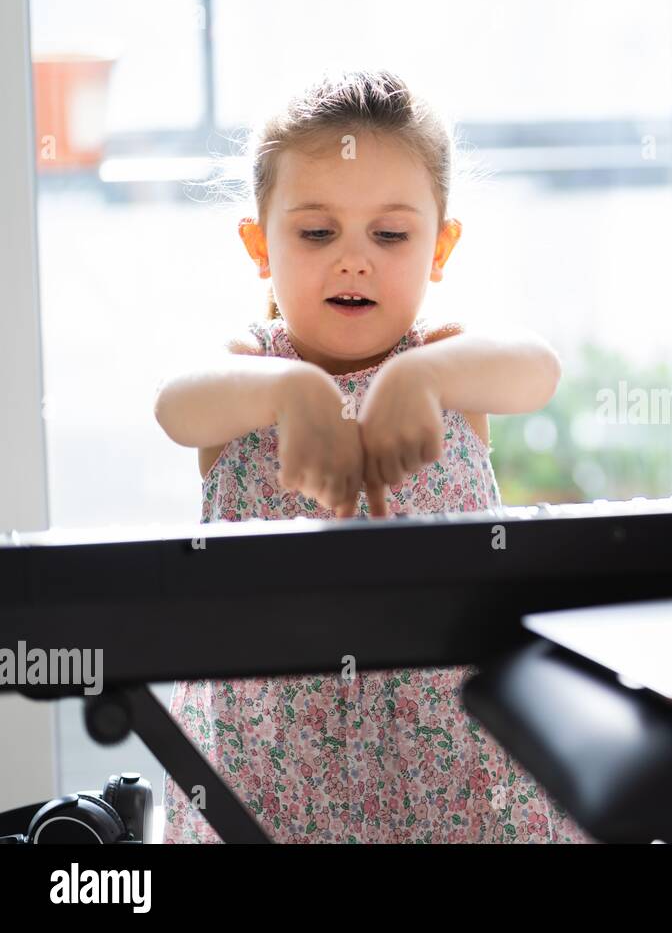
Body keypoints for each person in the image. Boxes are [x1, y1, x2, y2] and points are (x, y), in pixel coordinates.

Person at [153, 68, 592, 843]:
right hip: (271, 781)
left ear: (440, 244)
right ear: (259, 244)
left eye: (389, 235)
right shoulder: (244, 370)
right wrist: (290, 392)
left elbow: (540, 370)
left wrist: (423, 375)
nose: (354, 261)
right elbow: (175, 407)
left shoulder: (450, 361)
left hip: (453, 771)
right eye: (317, 233)